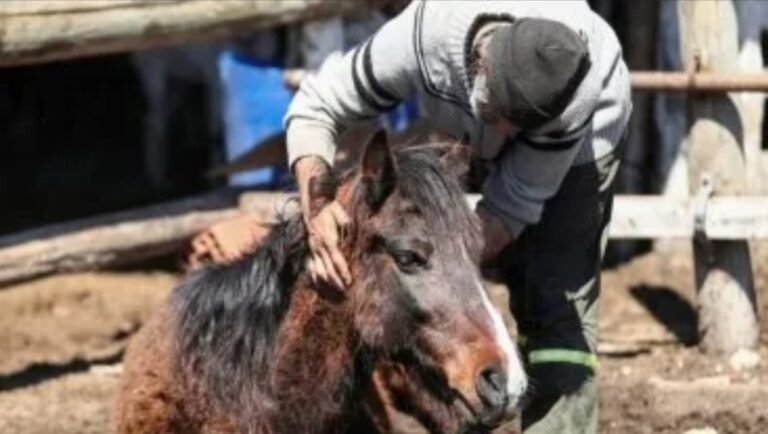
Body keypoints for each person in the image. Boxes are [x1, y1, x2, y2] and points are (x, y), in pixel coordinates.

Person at [284, 1, 631, 433]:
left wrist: (445, 285)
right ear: (478, 66)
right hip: (465, 110)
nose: (504, 141)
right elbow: (317, 105)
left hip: (581, 144)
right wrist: (318, 211)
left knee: (555, 301)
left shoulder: (574, 103)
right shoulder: (423, 36)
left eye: (517, 132)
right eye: (499, 120)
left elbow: (511, 207)